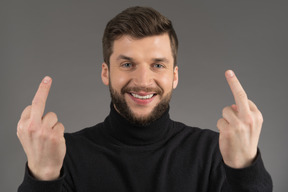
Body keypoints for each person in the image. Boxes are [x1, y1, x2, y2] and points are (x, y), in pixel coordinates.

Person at [17, 6, 272, 192]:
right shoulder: (64, 155)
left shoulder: (214, 152)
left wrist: (245, 170)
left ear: (174, 76)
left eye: (157, 65)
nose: (143, 80)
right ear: (106, 72)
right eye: (127, 64)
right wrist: (43, 178)